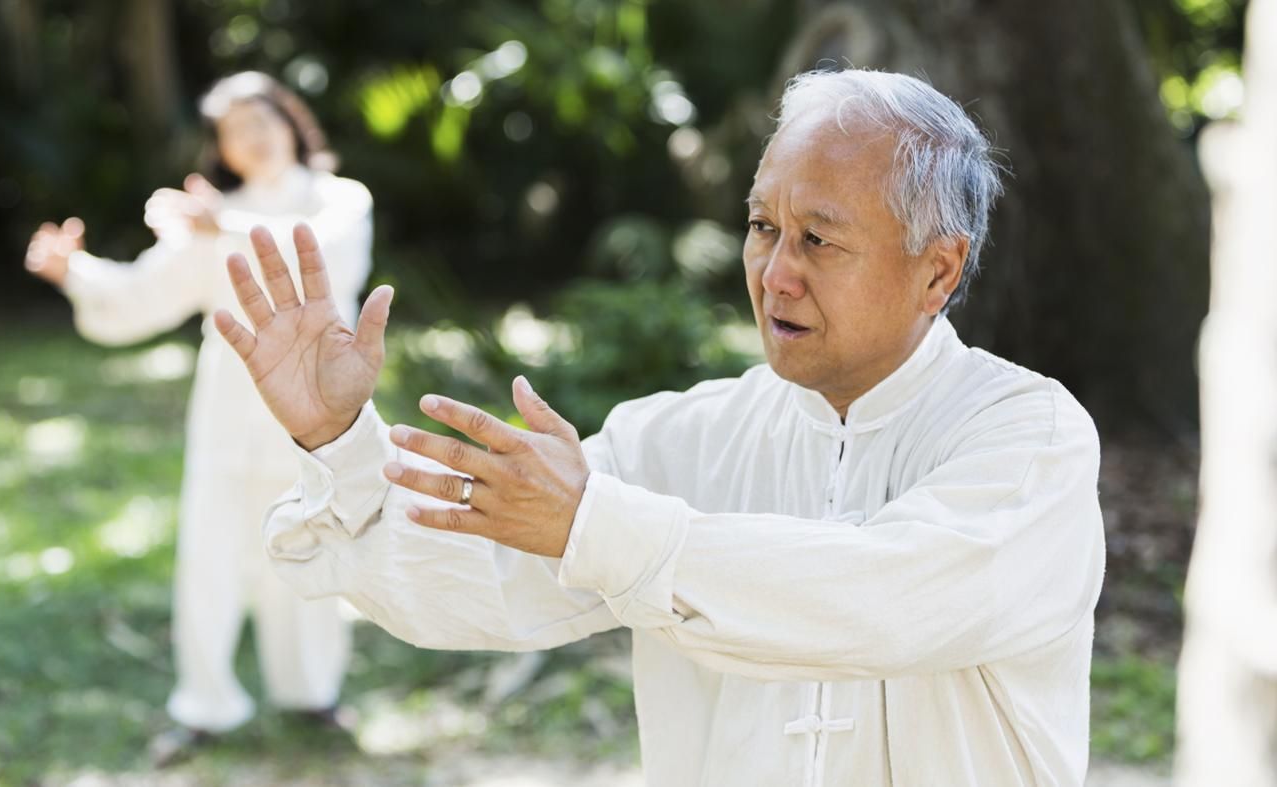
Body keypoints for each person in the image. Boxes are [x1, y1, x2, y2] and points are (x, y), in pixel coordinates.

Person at [215, 69, 1105, 785]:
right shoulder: (681, 438)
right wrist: (338, 439)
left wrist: (599, 526)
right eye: (764, 226)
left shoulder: (1029, 439)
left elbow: (885, 594)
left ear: (938, 270)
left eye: (819, 240)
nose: (775, 273)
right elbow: (471, 579)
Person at [24, 72, 373, 764]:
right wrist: (77, 272)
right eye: (234, 129)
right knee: (212, 542)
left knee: (315, 532)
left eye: (262, 118)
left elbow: (326, 256)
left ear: (290, 122)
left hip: (314, 387)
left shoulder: (338, 198)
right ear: (223, 149)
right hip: (230, 392)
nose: (254, 136)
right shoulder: (211, 216)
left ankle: (313, 692)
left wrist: (227, 225)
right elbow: (147, 293)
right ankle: (205, 702)